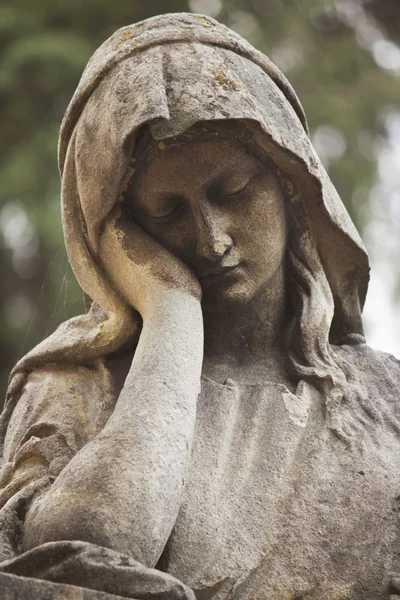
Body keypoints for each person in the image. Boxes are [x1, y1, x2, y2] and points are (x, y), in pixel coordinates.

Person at [1, 12, 400, 600]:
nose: (211, 239)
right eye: (166, 212)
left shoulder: (385, 399)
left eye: (232, 192)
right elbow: (80, 551)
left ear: (291, 185)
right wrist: (171, 312)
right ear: (119, 233)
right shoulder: (74, 386)